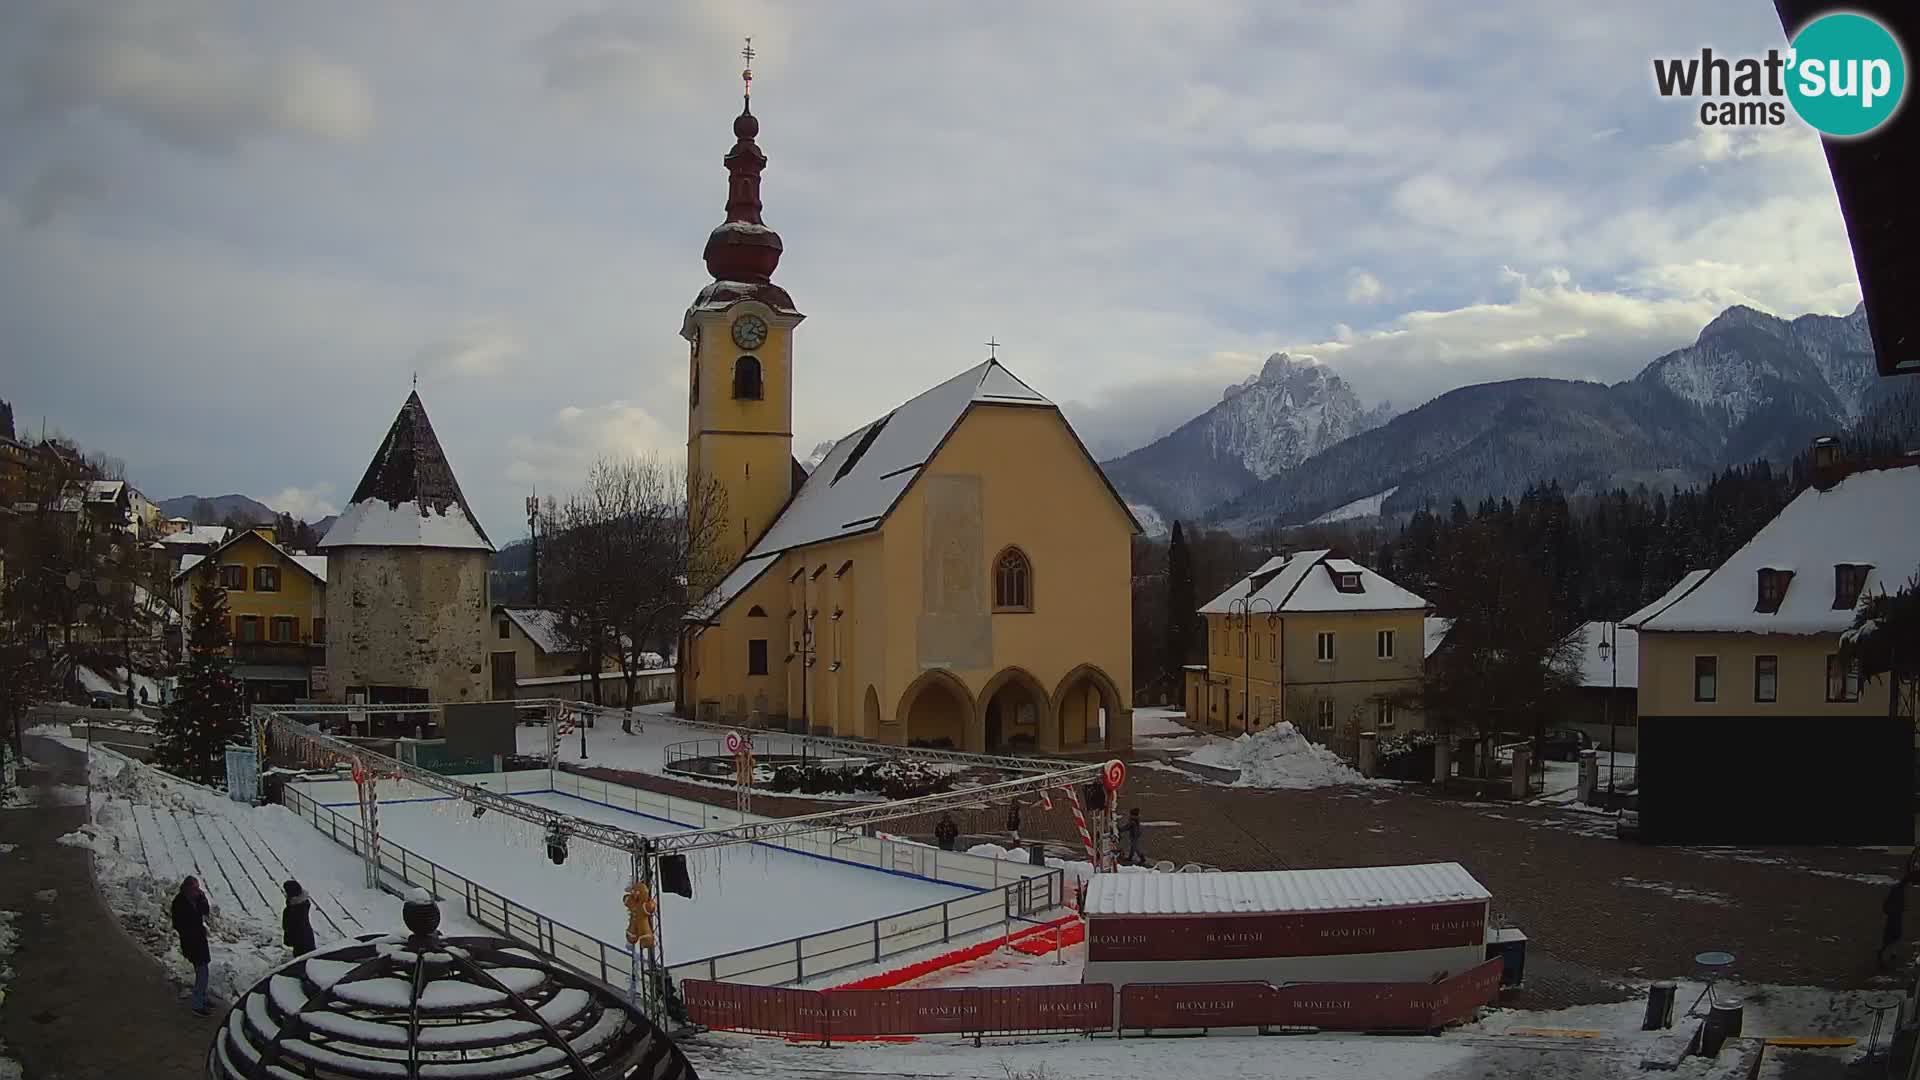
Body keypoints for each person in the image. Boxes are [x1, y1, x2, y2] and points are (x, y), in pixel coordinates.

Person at [171, 876, 212, 1016]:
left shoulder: (195, 899)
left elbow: (205, 911)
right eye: (195, 888)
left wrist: (202, 898)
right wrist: (191, 931)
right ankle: (197, 1004)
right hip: (192, 942)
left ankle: (203, 998)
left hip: (199, 941)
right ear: (187, 888)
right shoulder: (179, 903)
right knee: (202, 972)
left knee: (203, 971)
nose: (197, 890)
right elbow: (178, 924)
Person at [283, 880, 317, 955]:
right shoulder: (299, 905)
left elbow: (292, 926)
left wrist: (289, 939)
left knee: (303, 958)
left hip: (302, 940)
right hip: (303, 939)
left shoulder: (296, 909)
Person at [1883, 877, 1909, 970]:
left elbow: (1887, 901)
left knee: (1893, 934)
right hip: (1895, 915)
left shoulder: (1895, 890)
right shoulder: (1899, 891)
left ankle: (1890, 952)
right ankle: (1889, 953)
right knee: (1895, 934)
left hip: (1893, 914)